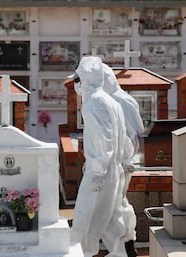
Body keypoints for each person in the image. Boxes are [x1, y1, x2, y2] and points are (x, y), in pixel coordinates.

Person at [70, 56, 133, 257]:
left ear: (86, 79)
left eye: (78, 79)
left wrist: (97, 170)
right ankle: (123, 253)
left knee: (85, 220)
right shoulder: (111, 102)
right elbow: (124, 141)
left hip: (101, 173)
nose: (76, 84)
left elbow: (104, 141)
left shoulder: (93, 104)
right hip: (113, 171)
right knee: (111, 220)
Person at [102, 63, 144, 257]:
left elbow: (129, 134)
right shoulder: (122, 98)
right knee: (120, 204)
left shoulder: (115, 100)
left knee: (112, 208)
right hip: (123, 160)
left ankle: (121, 249)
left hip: (119, 161)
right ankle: (128, 244)